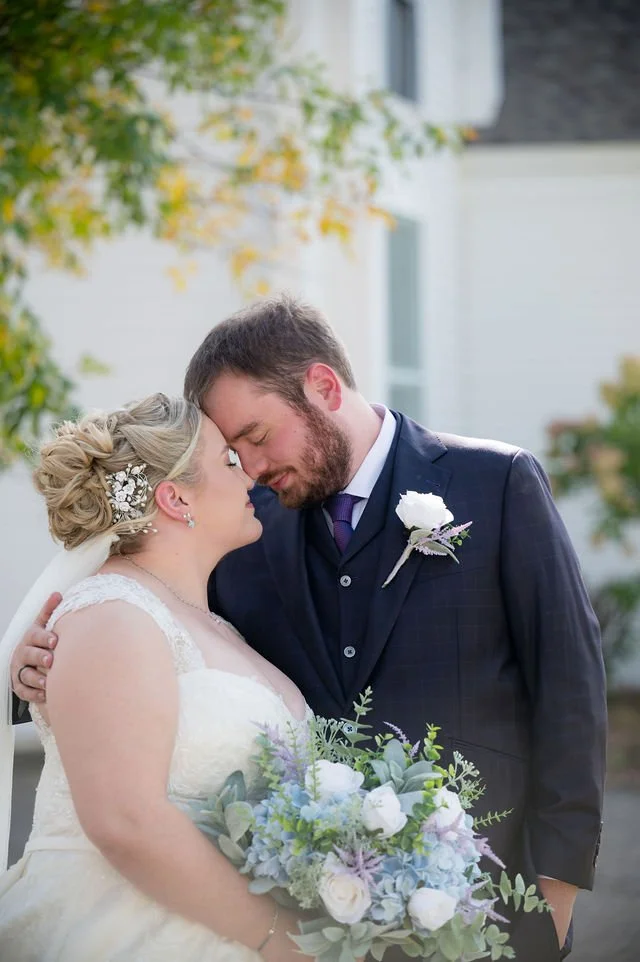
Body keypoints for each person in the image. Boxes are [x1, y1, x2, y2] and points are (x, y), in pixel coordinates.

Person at [11, 295, 607, 962]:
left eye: (256, 437)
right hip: (312, 915)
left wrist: (555, 898)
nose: (254, 467)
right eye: (233, 452)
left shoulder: (494, 483)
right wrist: (34, 663)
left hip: (490, 898)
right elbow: (148, 652)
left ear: (323, 386)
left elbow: (570, 693)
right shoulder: (239, 529)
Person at [0, 393, 312, 961]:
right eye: (228, 462)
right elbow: (125, 820)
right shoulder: (112, 613)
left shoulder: (213, 624)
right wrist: (281, 939)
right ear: (173, 497)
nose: (251, 479)